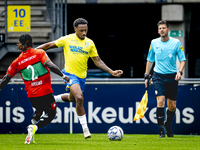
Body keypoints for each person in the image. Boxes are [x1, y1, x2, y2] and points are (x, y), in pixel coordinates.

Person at [36, 18, 123, 139]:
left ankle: (53, 99)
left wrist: (111, 71)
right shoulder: (67, 39)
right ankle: (85, 129)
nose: (84, 33)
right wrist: (32, 52)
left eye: (85, 30)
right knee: (79, 97)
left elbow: (97, 61)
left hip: (82, 77)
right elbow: (49, 45)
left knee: (73, 99)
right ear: (75, 29)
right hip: (70, 75)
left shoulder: (90, 43)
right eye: (81, 30)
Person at [0, 34, 69, 144]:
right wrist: (63, 76)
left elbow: (6, 78)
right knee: (51, 114)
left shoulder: (17, 61)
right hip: (45, 92)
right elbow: (50, 65)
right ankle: (34, 128)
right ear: (30, 42)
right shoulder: (39, 53)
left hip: (32, 96)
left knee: (39, 110)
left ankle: (31, 134)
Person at [144, 20, 186, 138]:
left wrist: (180, 72)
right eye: (160, 28)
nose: (161, 30)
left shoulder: (176, 43)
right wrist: (146, 76)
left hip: (172, 76)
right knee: (160, 100)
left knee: (172, 106)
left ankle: (167, 125)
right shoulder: (154, 43)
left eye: (164, 28)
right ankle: (161, 130)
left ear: (168, 30)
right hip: (158, 76)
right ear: (158, 31)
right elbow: (150, 60)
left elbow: (182, 60)